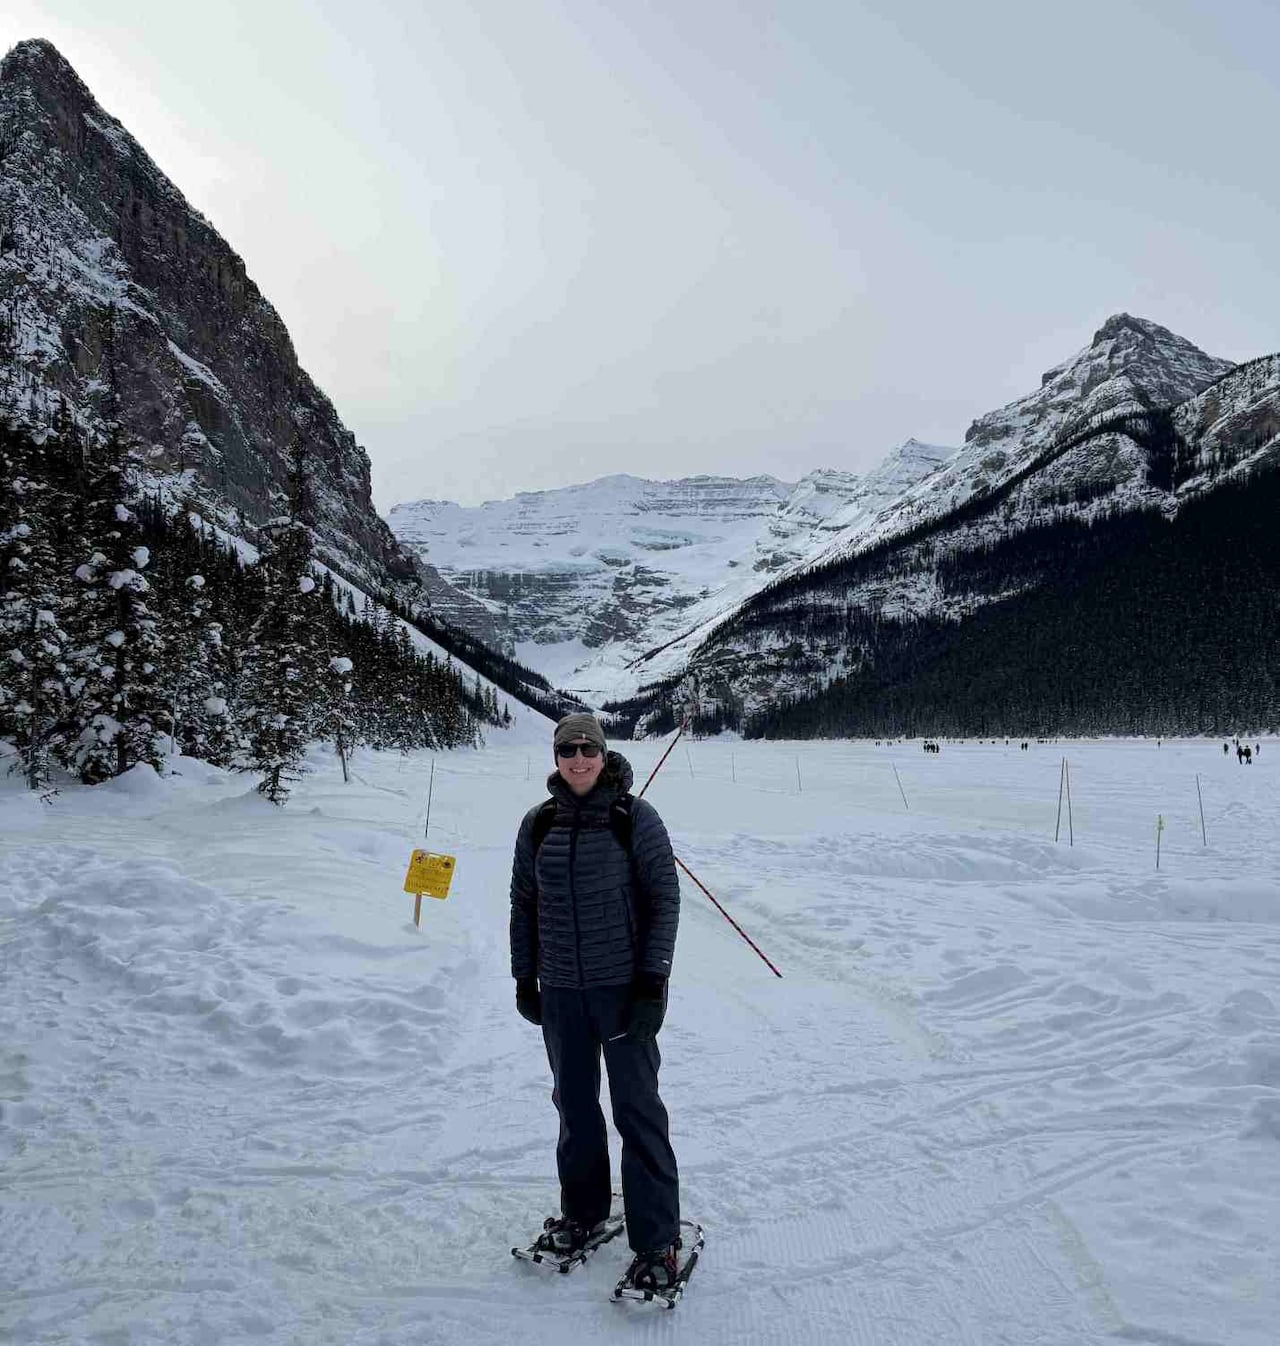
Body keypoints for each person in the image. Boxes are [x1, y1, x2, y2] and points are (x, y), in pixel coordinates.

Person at [509, 712, 683, 1289]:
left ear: (604, 755)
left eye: (589, 749)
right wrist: (525, 977)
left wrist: (653, 983)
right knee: (575, 1108)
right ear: (556, 758)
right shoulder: (538, 823)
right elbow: (524, 905)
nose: (579, 759)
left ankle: (657, 1240)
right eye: (568, 750)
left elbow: (664, 901)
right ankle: (583, 1213)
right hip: (561, 992)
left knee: (637, 1110)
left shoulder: (634, 818)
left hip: (623, 990)